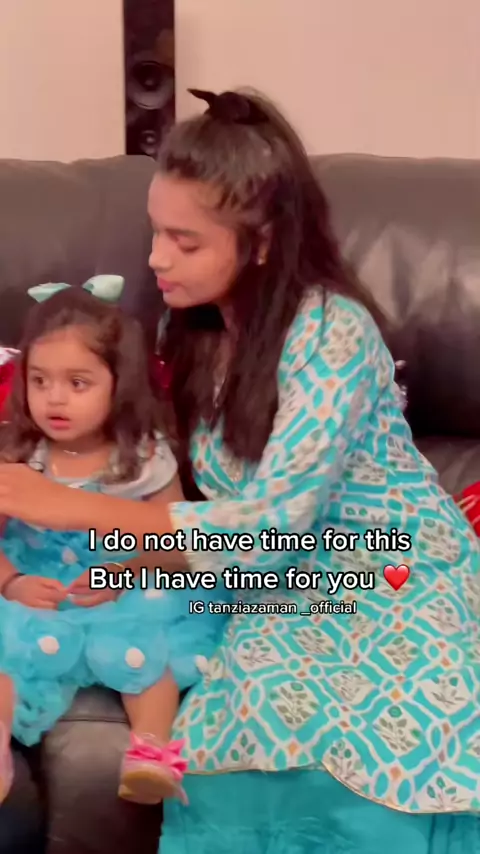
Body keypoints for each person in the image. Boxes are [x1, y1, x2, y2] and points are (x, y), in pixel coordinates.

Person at [0, 89, 478, 853]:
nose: (156, 259)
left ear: (261, 243)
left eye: (185, 242)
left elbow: (270, 522)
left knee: (355, 745)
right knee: (243, 727)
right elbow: (206, 514)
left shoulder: (332, 333)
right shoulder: (194, 333)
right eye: (156, 232)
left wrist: (70, 506)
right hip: (271, 583)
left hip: (387, 572)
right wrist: (133, 563)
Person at [0, 276, 228, 808]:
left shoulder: (143, 457)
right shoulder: (16, 453)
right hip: (37, 583)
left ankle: (151, 754)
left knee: (152, 657)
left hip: (124, 583)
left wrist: (126, 574)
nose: (55, 398)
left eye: (78, 383)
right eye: (39, 381)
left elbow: (174, 541)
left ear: (118, 384)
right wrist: (11, 582)